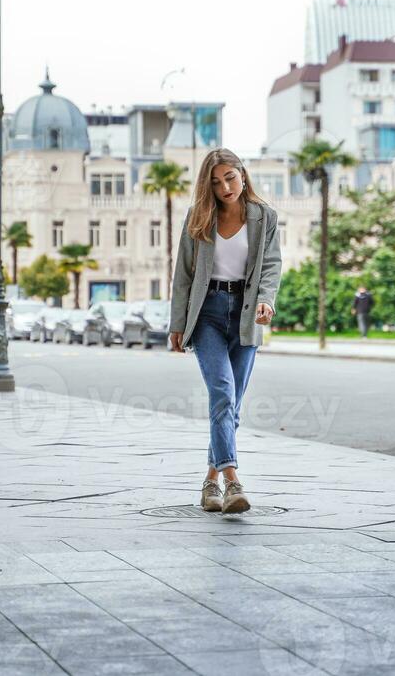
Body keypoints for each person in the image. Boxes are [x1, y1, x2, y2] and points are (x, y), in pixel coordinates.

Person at [169, 148, 282, 515]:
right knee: (222, 394)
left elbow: (271, 266)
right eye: (216, 182)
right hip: (208, 314)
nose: (225, 187)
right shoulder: (198, 217)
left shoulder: (264, 217)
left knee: (229, 407)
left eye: (230, 178)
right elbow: (183, 276)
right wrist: (177, 324)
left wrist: (267, 300)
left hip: (247, 316)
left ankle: (210, 484)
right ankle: (233, 481)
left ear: (243, 175)